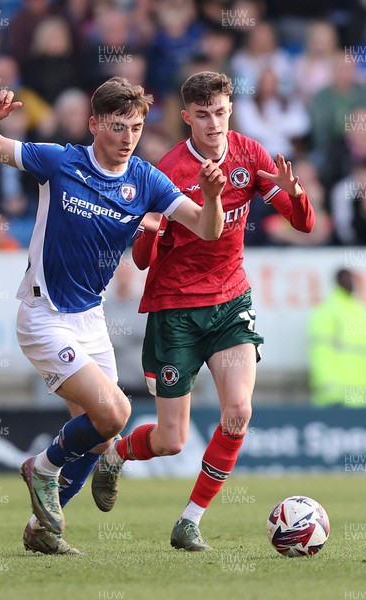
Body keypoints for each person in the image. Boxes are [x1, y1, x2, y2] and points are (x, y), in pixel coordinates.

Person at [0, 77, 226, 555]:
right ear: (93, 125)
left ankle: (42, 532)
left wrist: (211, 197)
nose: (128, 137)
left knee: (101, 440)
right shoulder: (60, 161)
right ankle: (41, 468)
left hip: (91, 322)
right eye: (117, 126)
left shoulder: (145, 179)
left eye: (136, 126)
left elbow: (208, 230)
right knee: (116, 412)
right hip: (43, 316)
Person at [91, 71, 315, 551]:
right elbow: (143, 261)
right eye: (204, 115)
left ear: (230, 108)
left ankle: (190, 520)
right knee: (171, 440)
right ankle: (116, 456)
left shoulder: (250, 155)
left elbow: (304, 225)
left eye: (221, 112)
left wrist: (296, 195)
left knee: (238, 411)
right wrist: (150, 230)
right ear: (187, 116)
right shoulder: (168, 171)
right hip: (176, 310)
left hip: (231, 301)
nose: (214, 123)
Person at [308, 269, 366, 407]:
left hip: (360, 397)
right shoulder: (326, 311)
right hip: (334, 397)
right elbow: (320, 352)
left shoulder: (359, 310)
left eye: (351, 279)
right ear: (337, 282)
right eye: (346, 279)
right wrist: (328, 385)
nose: (350, 283)